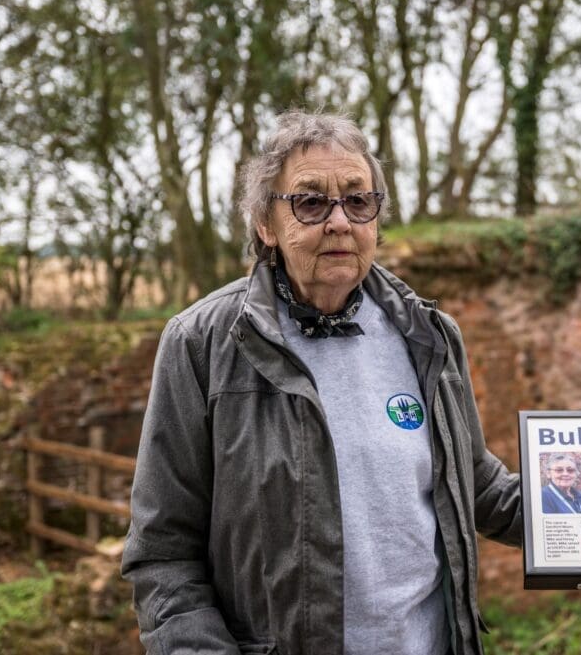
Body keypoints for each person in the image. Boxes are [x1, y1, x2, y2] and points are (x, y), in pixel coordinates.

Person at [121, 111, 522, 655]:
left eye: (358, 201)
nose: (339, 222)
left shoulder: (429, 335)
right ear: (266, 224)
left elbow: (476, 486)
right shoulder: (202, 344)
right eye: (311, 203)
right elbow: (163, 553)